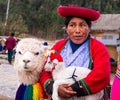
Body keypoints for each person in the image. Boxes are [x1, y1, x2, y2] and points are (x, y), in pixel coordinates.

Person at [40, 5, 111, 100]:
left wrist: (72, 89)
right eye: (72, 25)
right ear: (66, 28)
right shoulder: (58, 46)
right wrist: (54, 88)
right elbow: (46, 70)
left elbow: (102, 74)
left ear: (89, 28)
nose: (77, 31)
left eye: (82, 25)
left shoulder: (99, 48)